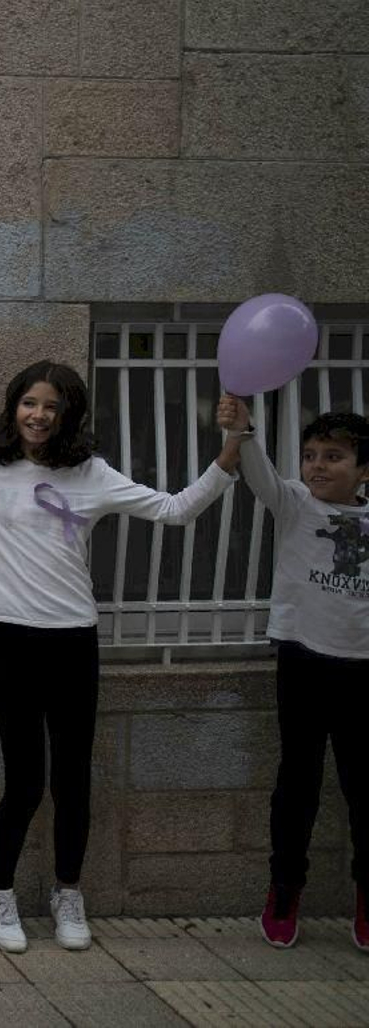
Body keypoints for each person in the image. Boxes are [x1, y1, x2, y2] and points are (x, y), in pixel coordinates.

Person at [0, 333, 242, 954]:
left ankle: (67, 892)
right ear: (14, 406)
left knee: (73, 779)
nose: (39, 415)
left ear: (68, 414)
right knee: (25, 778)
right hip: (9, 641)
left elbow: (175, 510)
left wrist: (232, 448)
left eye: (51, 406)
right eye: (29, 402)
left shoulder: (92, 474)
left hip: (73, 641)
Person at [217, 396, 368, 952]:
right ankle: (284, 891)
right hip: (303, 663)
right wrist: (244, 429)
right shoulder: (298, 504)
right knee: (296, 786)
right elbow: (259, 475)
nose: (317, 466)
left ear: (363, 469)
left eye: (333, 456)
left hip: (362, 672)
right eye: (309, 455)